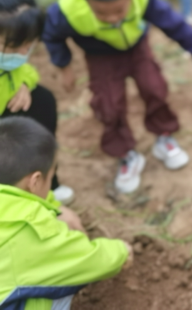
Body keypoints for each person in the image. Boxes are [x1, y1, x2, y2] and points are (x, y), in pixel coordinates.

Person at [43, 0, 192, 194]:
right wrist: (64, 66)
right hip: (99, 56)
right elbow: (52, 36)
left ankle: (164, 136)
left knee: (154, 87)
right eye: (101, 13)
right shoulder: (66, 9)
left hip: (137, 48)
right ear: (87, 0)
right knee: (108, 103)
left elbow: (175, 25)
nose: (112, 18)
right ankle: (126, 154)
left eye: (118, 10)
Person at [0, 117, 132, 310]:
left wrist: (55, 207)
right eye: (51, 176)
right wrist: (121, 252)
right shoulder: (26, 232)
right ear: (35, 181)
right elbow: (86, 260)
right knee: (59, 282)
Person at [0, 0, 74, 205]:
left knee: (42, 100)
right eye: (13, 47)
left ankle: (47, 182)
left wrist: (23, 84)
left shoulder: (11, 64)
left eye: (29, 44)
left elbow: (26, 70)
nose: (23, 52)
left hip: (10, 113)